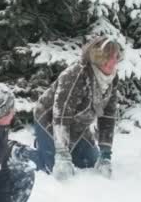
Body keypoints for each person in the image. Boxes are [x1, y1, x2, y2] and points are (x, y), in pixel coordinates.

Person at [32, 35, 121, 180]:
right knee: (50, 168)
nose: (112, 61)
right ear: (96, 57)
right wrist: (61, 153)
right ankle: (22, 151)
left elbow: (108, 116)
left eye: (115, 56)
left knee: (89, 162)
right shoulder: (76, 74)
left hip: (79, 126)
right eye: (107, 56)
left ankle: (47, 145)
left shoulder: (112, 78)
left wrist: (105, 154)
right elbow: (61, 115)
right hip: (50, 120)